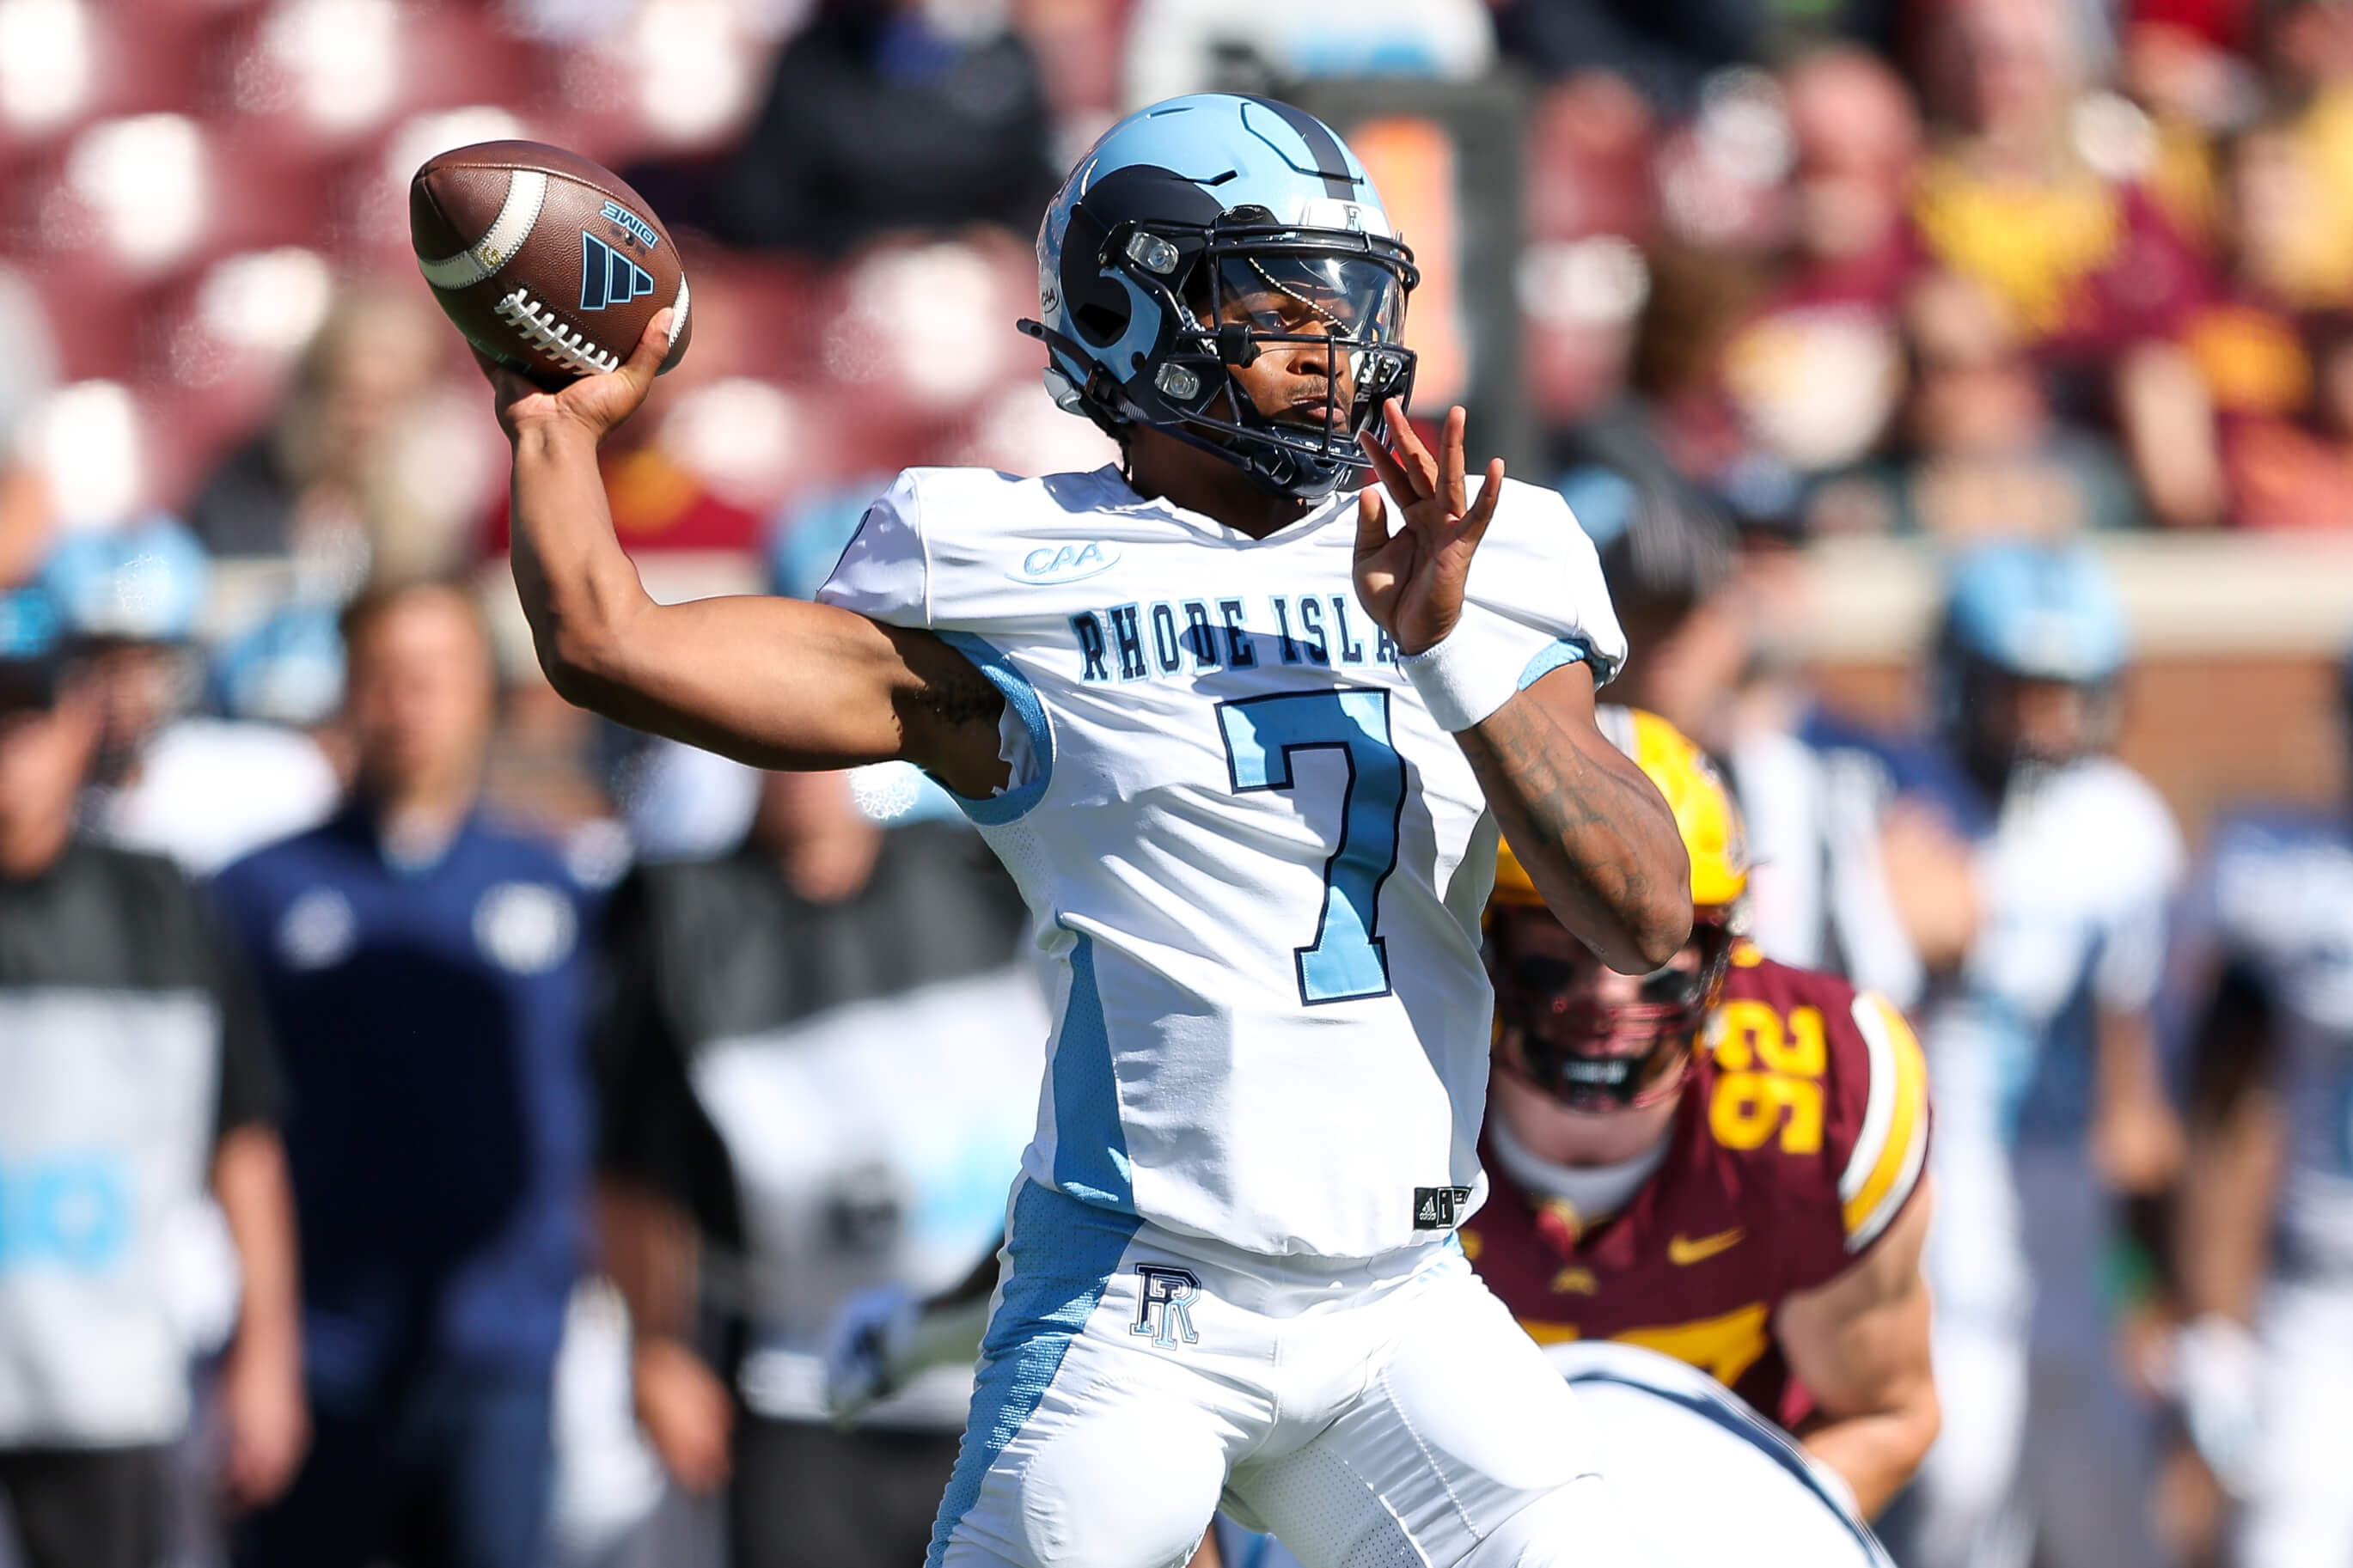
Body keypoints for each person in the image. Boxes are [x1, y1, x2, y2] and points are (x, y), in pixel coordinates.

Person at [480, 92, 1689, 1568]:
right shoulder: (1001, 567)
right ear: (1131, 309)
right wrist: (554, 433)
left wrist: (1446, 653)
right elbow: (609, 644)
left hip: (1403, 1300)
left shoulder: (1475, 548)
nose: (1336, 339)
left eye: (1352, 293)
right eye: (1278, 296)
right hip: (1139, 1302)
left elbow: (1642, 912)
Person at [1460, 706, 1936, 1520]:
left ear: (1724, 946)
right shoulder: (1377, 1080)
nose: (1609, 992)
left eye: (1652, 940)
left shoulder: (1819, 1093)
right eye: (1563, 931)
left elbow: (1883, 1413)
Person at [212, 581, 600, 1568]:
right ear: (346, 691)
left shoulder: (558, 891)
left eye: (433, 676)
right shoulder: (256, 894)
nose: (407, 703)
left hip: (502, 1345)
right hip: (316, 1351)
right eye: (383, 677)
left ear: (483, 692)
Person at [593, 765, 1043, 1568]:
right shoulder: (684, 917)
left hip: (1005, 1380)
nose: (802, 769)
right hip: (800, 1386)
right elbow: (636, 1164)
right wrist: (657, 1347)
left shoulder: (974, 871)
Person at [0, 585, 307, 1568]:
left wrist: (266, 1355)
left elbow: (242, 1144)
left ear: (78, 719)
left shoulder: (161, 905)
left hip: (105, 1376)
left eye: (24, 719)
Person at [1895, 542, 2186, 1568]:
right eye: (2016, 693)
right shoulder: (1897, 800)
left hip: (2062, 1215)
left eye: (2063, 695)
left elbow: (2133, 1075)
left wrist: (2155, 1283)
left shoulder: (2122, 828)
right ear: (1957, 683)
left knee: (2113, 1513)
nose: (2041, 724)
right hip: (1941, 1208)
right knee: (1958, 1491)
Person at [2162, 644, 2353, 1568]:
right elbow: (2221, 1111)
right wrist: (2210, 1320)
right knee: (2282, 1545)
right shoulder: (2284, 880)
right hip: (2320, 1300)